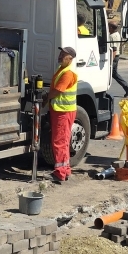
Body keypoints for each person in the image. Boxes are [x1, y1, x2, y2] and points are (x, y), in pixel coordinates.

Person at [44, 46, 78, 183]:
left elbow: (58, 90)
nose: (60, 55)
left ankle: (60, 172)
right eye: (60, 53)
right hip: (61, 110)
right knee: (62, 141)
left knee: (60, 141)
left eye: (63, 54)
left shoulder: (67, 73)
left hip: (63, 111)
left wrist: (46, 98)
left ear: (70, 59)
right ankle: (65, 169)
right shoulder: (62, 70)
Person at [108, 22, 128, 97]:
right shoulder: (117, 34)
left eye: (108, 27)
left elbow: (114, 49)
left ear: (111, 28)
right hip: (116, 56)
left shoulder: (112, 36)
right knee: (114, 74)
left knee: (113, 73)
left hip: (114, 56)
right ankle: (127, 88)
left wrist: (111, 61)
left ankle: (127, 87)